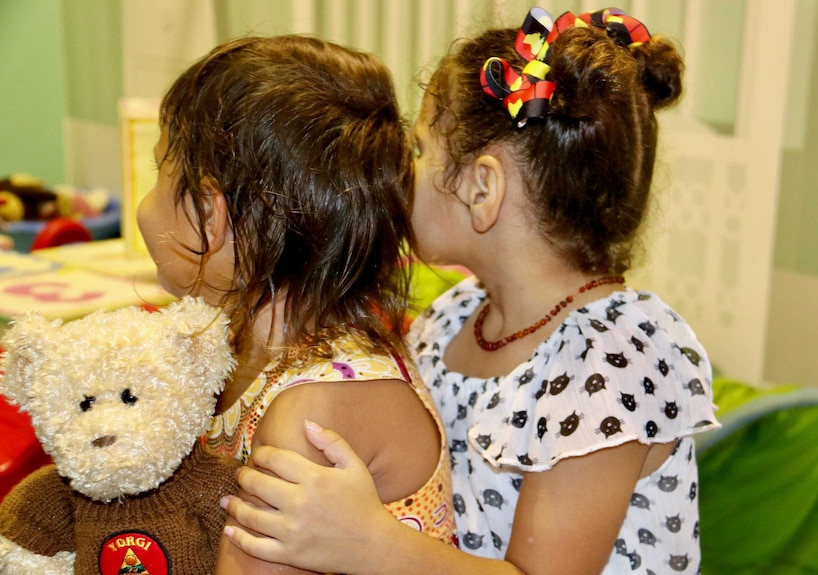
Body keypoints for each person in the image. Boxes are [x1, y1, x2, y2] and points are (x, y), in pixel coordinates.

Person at [220, 7, 721, 575]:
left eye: (418, 149)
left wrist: (366, 541)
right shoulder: (454, 316)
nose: (400, 175)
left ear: (482, 188)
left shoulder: (615, 362)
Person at [135, 34, 457, 574]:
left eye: (159, 173)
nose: (147, 205)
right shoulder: (237, 348)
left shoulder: (312, 413)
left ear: (209, 214)